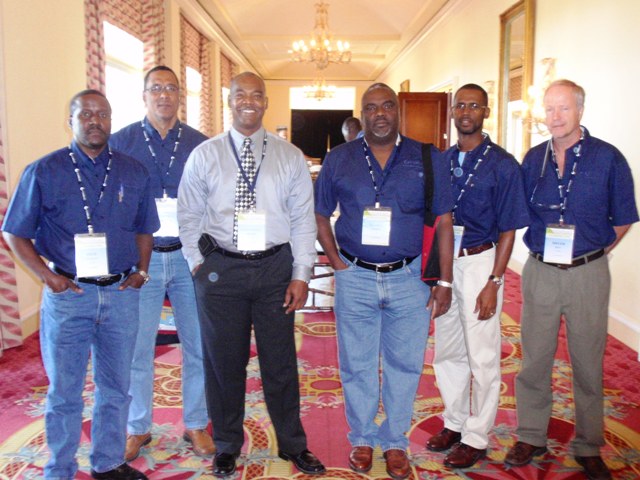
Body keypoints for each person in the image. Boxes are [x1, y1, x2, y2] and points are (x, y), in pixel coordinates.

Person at [1, 90, 159, 480]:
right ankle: (60, 468)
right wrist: (48, 277)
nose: (94, 121)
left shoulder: (133, 171)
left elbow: (145, 228)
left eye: (102, 114)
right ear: (69, 120)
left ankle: (107, 462)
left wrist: (142, 271)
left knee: (116, 387)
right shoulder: (44, 171)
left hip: (121, 295)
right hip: (69, 295)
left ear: (111, 120)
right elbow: (15, 233)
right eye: (85, 114)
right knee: (65, 391)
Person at [177, 71, 326, 477]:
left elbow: (302, 219)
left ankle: (292, 444)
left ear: (265, 102)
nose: (248, 101)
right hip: (220, 270)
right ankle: (227, 444)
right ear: (229, 101)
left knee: (280, 363)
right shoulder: (205, 155)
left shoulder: (289, 156)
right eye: (240, 94)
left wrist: (301, 273)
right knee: (224, 363)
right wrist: (197, 263)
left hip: (276, 268)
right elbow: (188, 215)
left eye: (256, 95)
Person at [315, 82, 454, 480]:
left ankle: (395, 440)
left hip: (410, 279)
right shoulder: (339, 158)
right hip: (355, 276)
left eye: (387, 106)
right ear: (362, 114)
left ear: (398, 111)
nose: (380, 113)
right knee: (356, 364)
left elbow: (444, 220)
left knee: (404, 364)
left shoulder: (426, 156)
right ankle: (361, 437)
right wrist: (337, 263)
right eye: (372, 107)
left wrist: (444, 281)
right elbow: (320, 213)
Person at [505, 79, 638, 480]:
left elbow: (624, 217)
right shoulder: (533, 159)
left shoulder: (608, 158)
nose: (555, 117)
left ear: (580, 110)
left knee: (587, 361)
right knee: (534, 359)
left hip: (588, 275)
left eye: (563, 108)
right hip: (541, 271)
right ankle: (531, 435)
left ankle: (588, 444)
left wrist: (593, 254)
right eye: (549, 109)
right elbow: (518, 209)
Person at [110, 65, 213, 461]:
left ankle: (196, 423)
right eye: (156, 88)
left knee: (198, 344)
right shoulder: (122, 142)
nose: (164, 95)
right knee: (138, 348)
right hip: (143, 261)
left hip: (189, 259)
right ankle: (138, 427)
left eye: (171, 88)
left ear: (180, 96)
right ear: (144, 95)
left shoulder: (200, 144)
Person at [426, 84, 529, 468]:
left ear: (486, 112)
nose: (466, 111)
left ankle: (477, 436)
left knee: (482, 355)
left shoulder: (503, 164)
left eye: (474, 105)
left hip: (480, 262)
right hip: (444, 264)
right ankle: (454, 421)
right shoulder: (441, 160)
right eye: (460, 105)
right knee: (447, 349)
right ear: (452, 111)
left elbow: (508, 229)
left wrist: (494, 281)